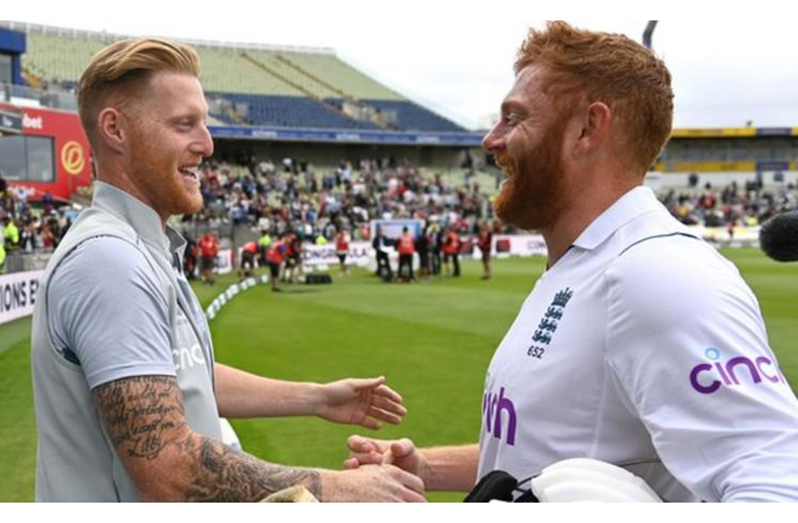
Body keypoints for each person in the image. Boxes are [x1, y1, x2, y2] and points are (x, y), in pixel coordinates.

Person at [345, 22, 798, 502]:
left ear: (587, 128)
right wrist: (427, 468)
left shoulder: (657, 273)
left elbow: (778, 483)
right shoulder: (583, 263)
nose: (490, 140)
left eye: (514, 119)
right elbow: (561, 451)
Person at [30, 38, 424, 502]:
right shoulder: (109, 260)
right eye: (184, 125)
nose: (208, 144)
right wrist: (335, 488)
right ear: (116, 129)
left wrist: (316, 397)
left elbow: (181, 378)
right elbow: (168, 464)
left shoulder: (139, 248)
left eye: (205, 124)